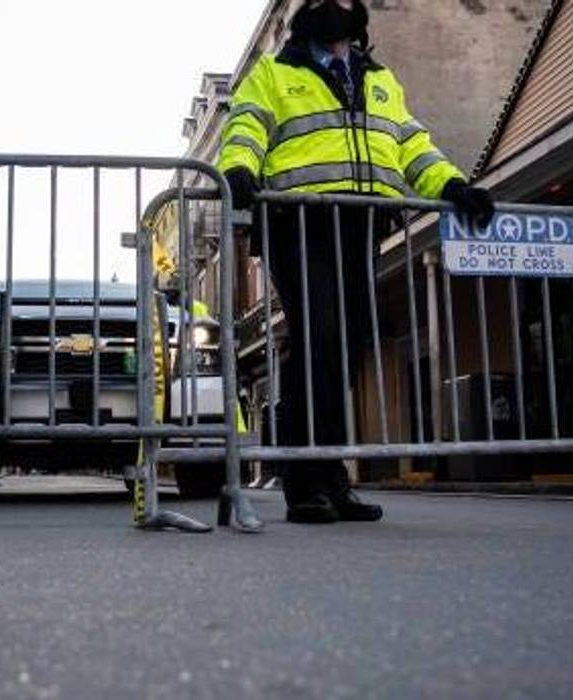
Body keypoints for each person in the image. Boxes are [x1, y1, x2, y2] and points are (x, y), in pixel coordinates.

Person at [218, 0, 493, 524]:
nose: (333, 6)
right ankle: (305, 484)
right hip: (298, 222)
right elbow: (246, 127)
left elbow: (411, 144)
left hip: (360, 224)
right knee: (318, 339)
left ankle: (333, 480)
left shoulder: (380, 78)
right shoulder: (275, 71)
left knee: (347, 348)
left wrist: (453, 184)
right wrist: (237, 170)